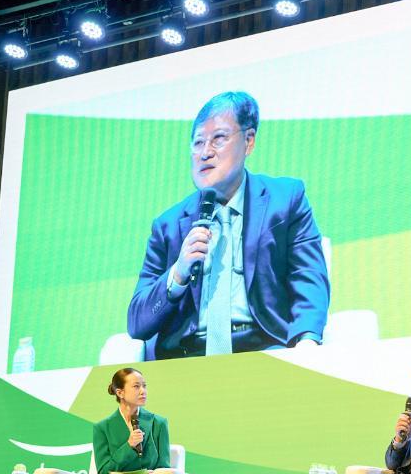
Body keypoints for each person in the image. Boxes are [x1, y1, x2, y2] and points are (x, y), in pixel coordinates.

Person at [127, 91, 330, 359]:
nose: (205, 153)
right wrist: (177, 274)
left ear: (248, 141)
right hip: (186, 359)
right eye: (198, 142)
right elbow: (137, 323)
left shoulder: (285, 199)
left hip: (264, 351)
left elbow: (307, 278)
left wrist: (307, 343)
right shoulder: (168, 225)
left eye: (219, 138)